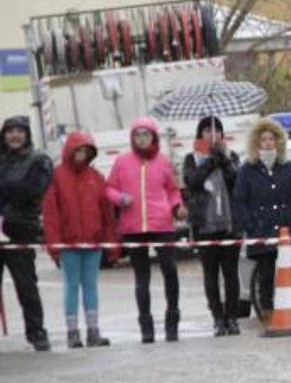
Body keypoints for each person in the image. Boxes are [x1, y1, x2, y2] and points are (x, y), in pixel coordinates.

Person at [106, 117, 185, 343]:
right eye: (137, 135)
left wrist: (177, 207)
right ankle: (146, 326)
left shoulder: (163, 162)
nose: (141, 139)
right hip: (133, 227)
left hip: (161, 223)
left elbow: (173, 191)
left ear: (153, 137)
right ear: (132, 138)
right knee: (142, 277)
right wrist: (120, 198)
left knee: (169, 269)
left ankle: (172, 320)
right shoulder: (122, 162)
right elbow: (109, 188)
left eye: (145, 134)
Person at [43, 132, 118, 348]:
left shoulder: (96, 177)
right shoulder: (56, 177)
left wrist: (111, 242)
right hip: (69, 244)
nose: (81, 155)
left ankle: (93, 331)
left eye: (85, 151)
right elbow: (51, 213)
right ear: (69, 151)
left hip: (92, 243)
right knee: (72, 286)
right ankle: (72, 332)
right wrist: (54, 245)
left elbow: (107, 214)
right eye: (78, 150)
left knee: (91, 286)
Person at [232, 118, 291, 324]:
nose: (267, 143)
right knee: (265, 275)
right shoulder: (247, 170)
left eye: (271, 139)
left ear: (278, 141)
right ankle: (267, 311)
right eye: (263, 139)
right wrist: (252, 226)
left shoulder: (289, 168)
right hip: (262, 231)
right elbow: (239, 201)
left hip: (286, 230)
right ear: (256, 142)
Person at [183, 116, 243, 336]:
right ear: (201, 135)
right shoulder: (192, 158)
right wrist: (210, 161)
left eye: (216, 131)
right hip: (205, 225)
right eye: (207, 131)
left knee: (230, 273)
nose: (213, 135)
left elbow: (237, 179)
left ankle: (232, 317)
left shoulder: (231, 155)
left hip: (229, 224)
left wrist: (223, 159)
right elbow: (192, 182)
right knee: (211, 274)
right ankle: (217, 317)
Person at [0, 115, 53, 351]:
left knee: (26, 286)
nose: (14, 136)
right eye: (10, 131)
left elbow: (32, 190)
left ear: (27, 134)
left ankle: (36, 332)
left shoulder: (38, 159)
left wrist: (7, 191)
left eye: (19, 131)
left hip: (21, 230)